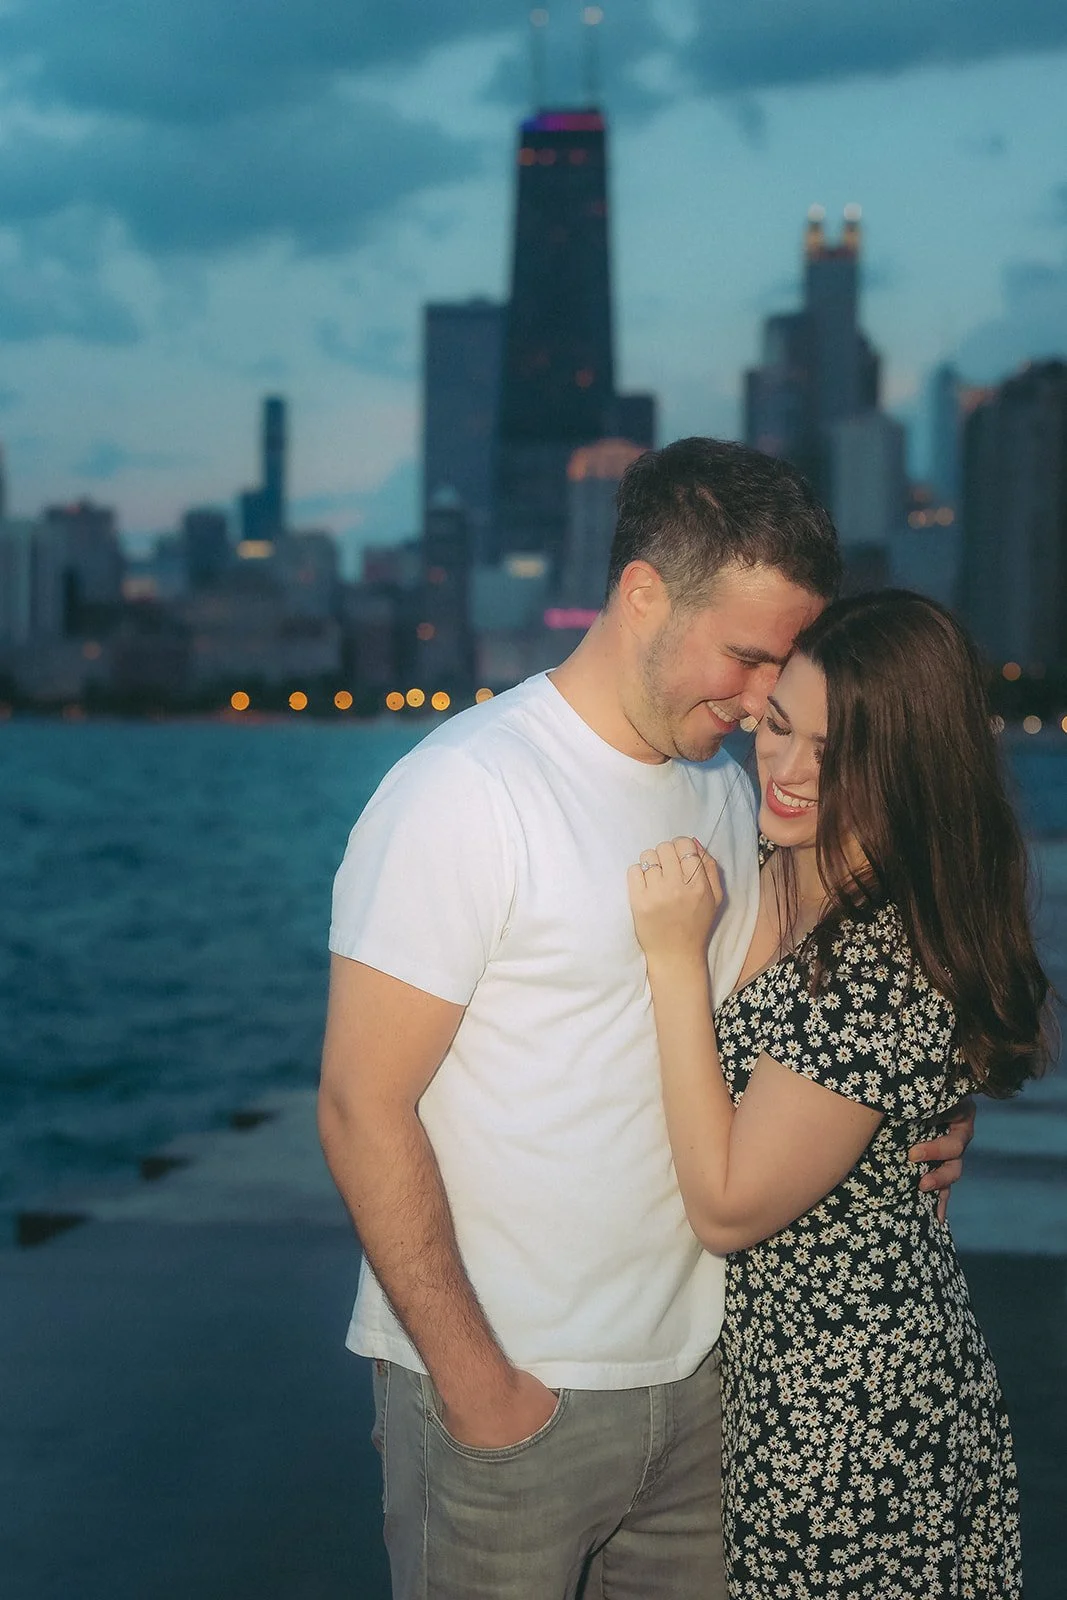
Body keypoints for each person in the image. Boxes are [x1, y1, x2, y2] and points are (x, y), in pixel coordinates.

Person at [318, 440, 973, 1600]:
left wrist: (915, 1107)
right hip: (511, 1394)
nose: (760, 697)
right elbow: (358, 1105)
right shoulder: (465, 792)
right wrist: (479, 1387)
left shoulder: (727, 787)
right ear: (641, 595)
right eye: (745, 656)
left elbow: (824, 997)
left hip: (707, 1390)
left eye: (779, 665)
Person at [628, 589, 1051, 1599]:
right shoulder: (784, 865)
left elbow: (727, 1208)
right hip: (787, 1384)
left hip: (850, 1419)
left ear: (906, 767)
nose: (788, 769)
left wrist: (673, 959)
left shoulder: (875, 956)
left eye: (837, 751)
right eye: (779, 726)